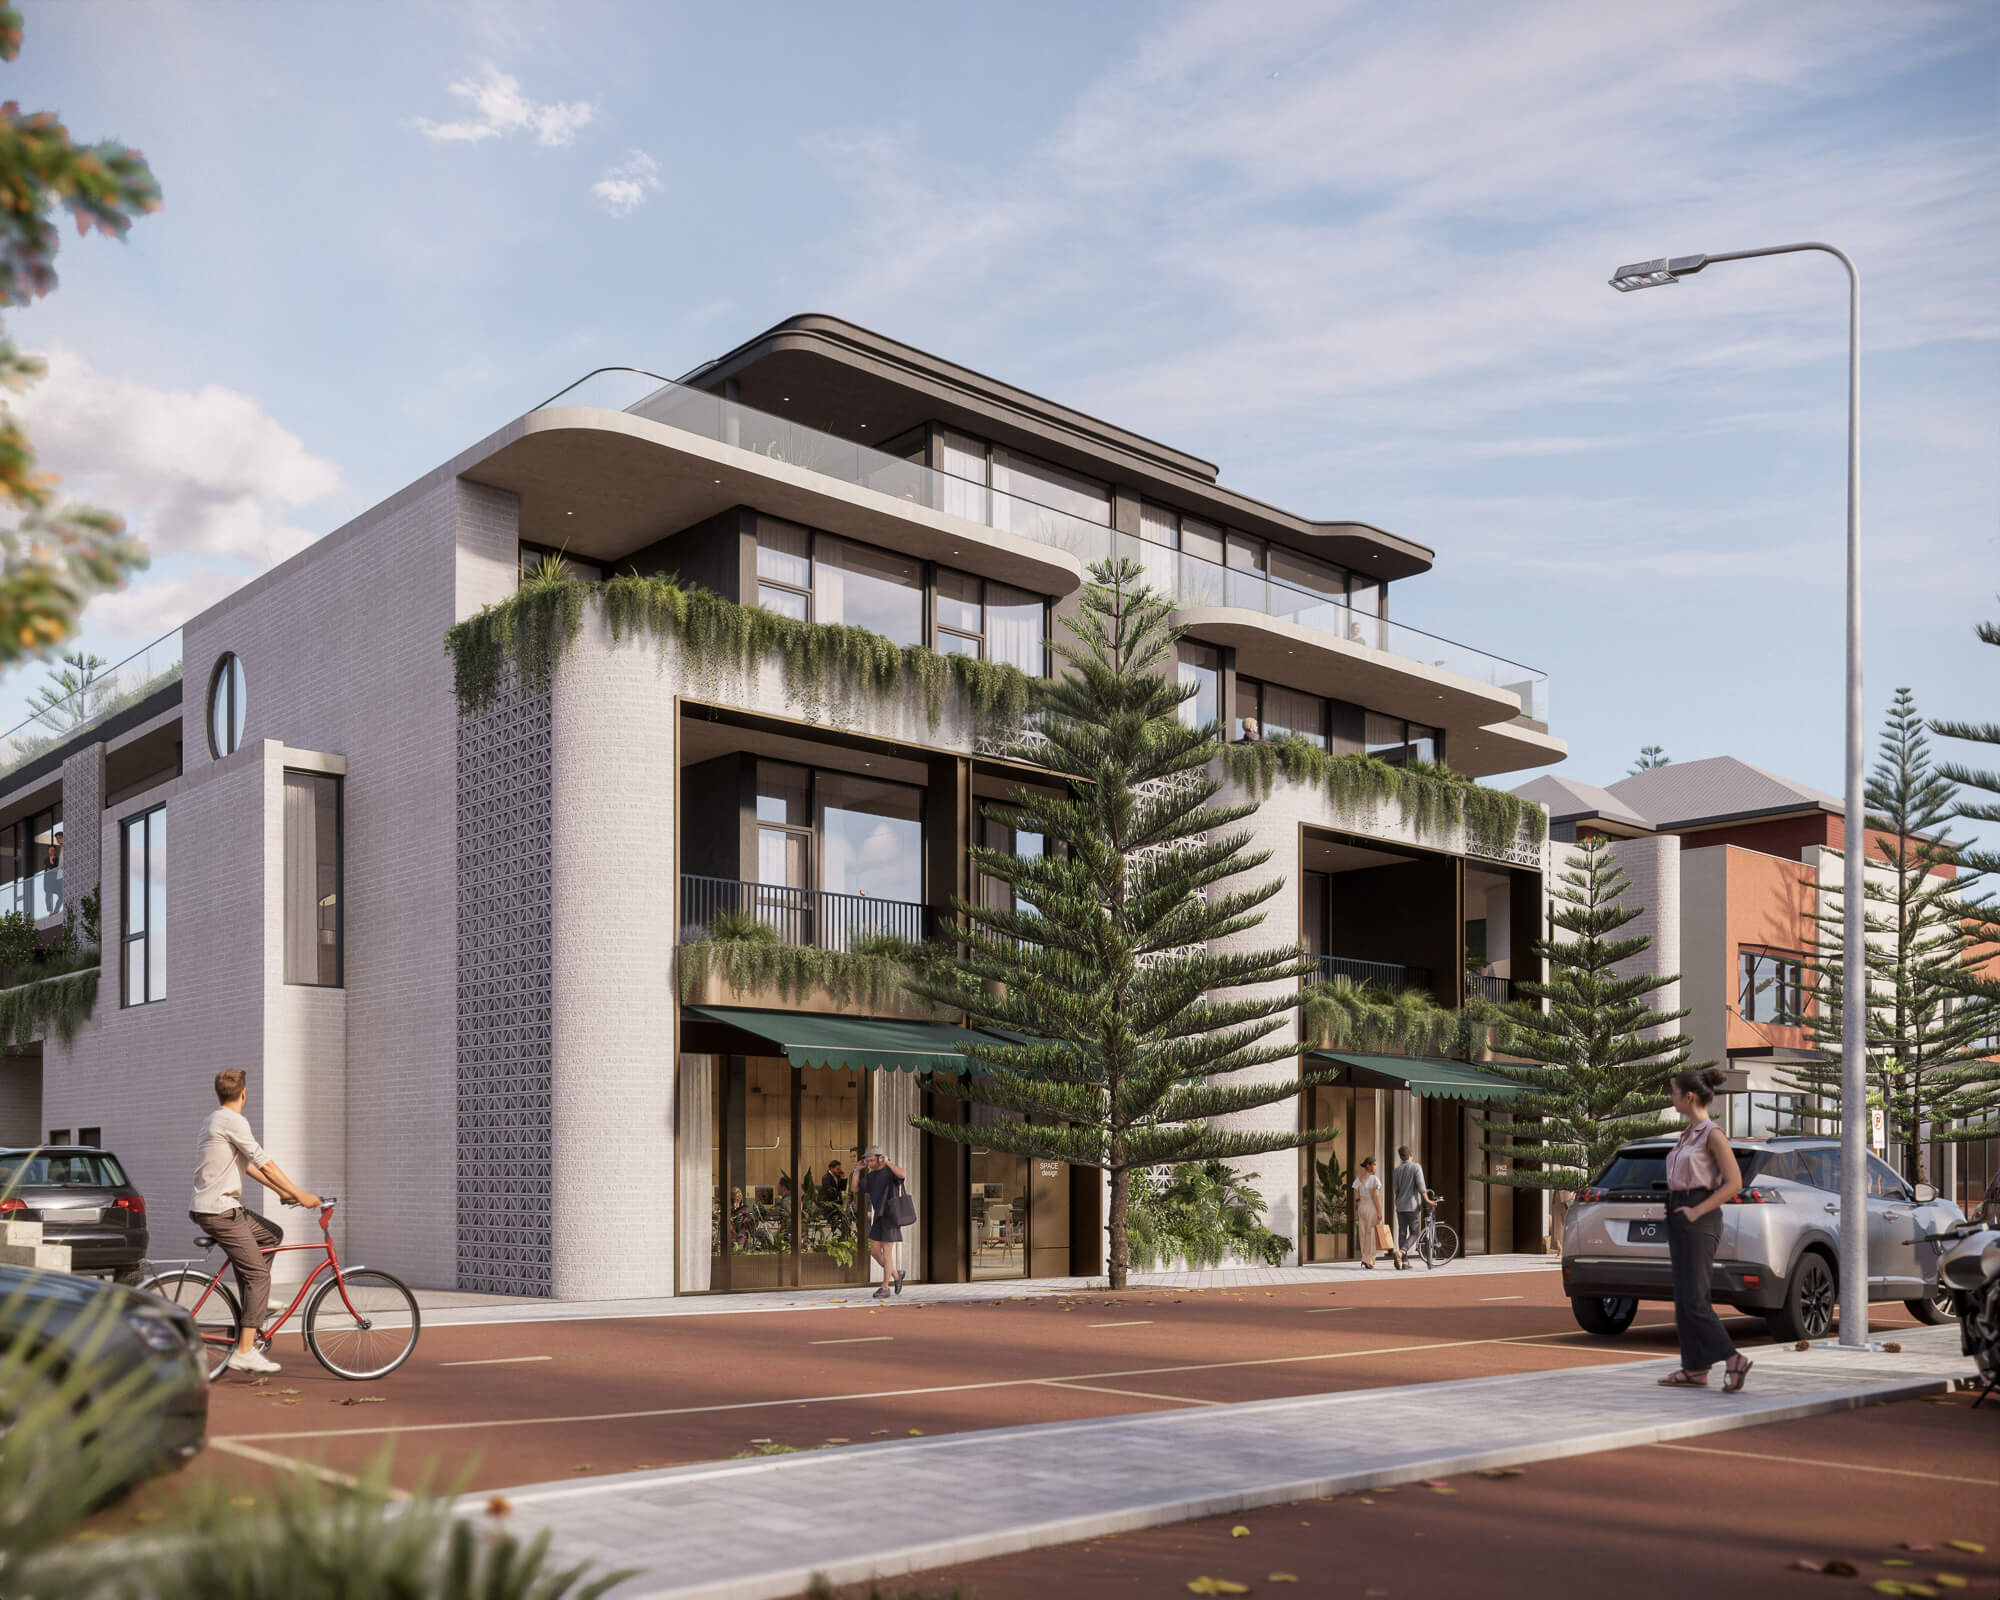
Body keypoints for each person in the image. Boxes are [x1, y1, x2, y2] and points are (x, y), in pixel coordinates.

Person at [190, 1067, 319, 1375]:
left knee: (271, 1235)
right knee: (259, 1277)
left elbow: (246, 1165)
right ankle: (245, 1351)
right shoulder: (235, 1121)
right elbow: (265, 1162)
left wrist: (280, 1192)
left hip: (212, 1207)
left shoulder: (213, 1119)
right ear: (244, 1094)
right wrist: (301, 1194)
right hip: (222, 1211)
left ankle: (254, 1302)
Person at [1660, 1066, 1750, 1392]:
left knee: (1696, 1298)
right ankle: (1695, 1368)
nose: (1670, 1097)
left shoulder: (1712, 1134)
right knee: (1684, 1297)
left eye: (1673, 1092)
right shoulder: (1686, 1134)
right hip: (1679, 1212)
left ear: (1689, 1096)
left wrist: (1697, 1210)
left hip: (1700, 1215)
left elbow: (1735, 1183)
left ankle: (1732, 1357)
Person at [856, 1144, 908, 1299]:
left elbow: (903, 1174)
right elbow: (854, 1188)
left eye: (872, 1160)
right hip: (878, 1216)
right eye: (867, 1161)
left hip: (890, 1216)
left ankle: (885, 1287)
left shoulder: (889, 1172)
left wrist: (888, 1162)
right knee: (874, 1251)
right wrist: (857, 1171)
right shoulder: (871, 1176)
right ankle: (896, 1274)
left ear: (879, 1158)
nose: (870, 1164)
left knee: (887, 1251)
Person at [1352, 1155, 1405, 1270]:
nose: (1375, 1167)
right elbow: (1375, 1196)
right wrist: (1380, 1211)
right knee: (1371, 1234)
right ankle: (1369, 1261)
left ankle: (1364, 1258)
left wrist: (1358, 1207)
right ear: (1368, 1166)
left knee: (1363, 1234)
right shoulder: (1374, 1179)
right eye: (1374, 1164)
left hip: (1361, 1206)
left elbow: (1356, 1195)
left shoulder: (1358, 1179)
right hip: (1371, 1206)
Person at [1392, 1145, 1426, 1256]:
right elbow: (1421, 1186)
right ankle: (1402, 1251)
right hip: (1412, 1206)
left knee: (1402, 1233)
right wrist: (1427, 1200)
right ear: (1411, 1155)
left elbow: (1395, 1190)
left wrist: (1396, 1204)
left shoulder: (1396, 1170)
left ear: (1400, 1157)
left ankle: (1404, 1261)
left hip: (1400, 1206)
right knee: (1415, 1232)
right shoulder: (1416, 1167)